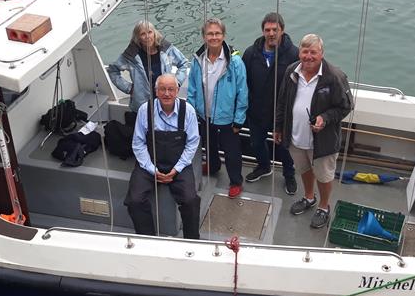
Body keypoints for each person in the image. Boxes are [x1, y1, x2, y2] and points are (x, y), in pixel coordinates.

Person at [274, 34, 353, 229]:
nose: (308, 56)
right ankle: (309, 197)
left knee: (324, 176)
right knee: (304, 169)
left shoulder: (335, 77)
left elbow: (346, 106)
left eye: (313, 52)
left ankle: (324, 207)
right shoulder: (291, 71)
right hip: (295, 136)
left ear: (321, 54)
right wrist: (278, 127)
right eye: (305, 51)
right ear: (299, 52)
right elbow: (282, 101)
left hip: (323, 141)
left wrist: (324, 119)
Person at [125, 74, 201, 239]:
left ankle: (192, 241)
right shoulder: (145, 110)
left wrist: (176, 169)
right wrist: (152, 170)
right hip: (149, 163)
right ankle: (148, 239)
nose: (167, 93)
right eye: (162, 89)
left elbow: (192, 143)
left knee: (190, 200)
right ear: (156, 91)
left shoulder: (188, 111)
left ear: (177, 91)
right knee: (134, 200)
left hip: (178, 163)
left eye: (171, 89)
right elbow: (138, 143)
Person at [187, 18, 248, 199]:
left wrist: (239, 119)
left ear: (223, 35)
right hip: (204, 116)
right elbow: (192, 89)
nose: (214, 37)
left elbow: (242, 92)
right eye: (210, 34)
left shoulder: (235, 62)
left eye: (217, 33)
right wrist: (191, 113)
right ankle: (213, 166)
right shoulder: (198, 60)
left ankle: (236, 181)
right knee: (209, 146)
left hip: (227, 117)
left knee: (232, 152)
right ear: (204, 37)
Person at [242, 12, 299, 195]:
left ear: (282, 30)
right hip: (256, 111)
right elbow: (244, 82)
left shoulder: (294, 54)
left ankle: (289, 175)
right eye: (268, 30)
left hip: (281, 113)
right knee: (257, 143)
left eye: (275, 29)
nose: (271, 33)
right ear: (263, 31)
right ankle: (263, 166)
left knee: (284, 149)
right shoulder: (251, 53)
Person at [107, 20, 189, 112]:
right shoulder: (131, 55)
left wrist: (176, 83)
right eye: (143, 34)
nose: (147, 37)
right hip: (142, 105)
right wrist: (128, 88)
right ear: (138, 38)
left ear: (154, 33)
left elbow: (183, 63)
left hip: (165, 100)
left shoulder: (165, 49)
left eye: (150, 32)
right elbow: (113, 70)